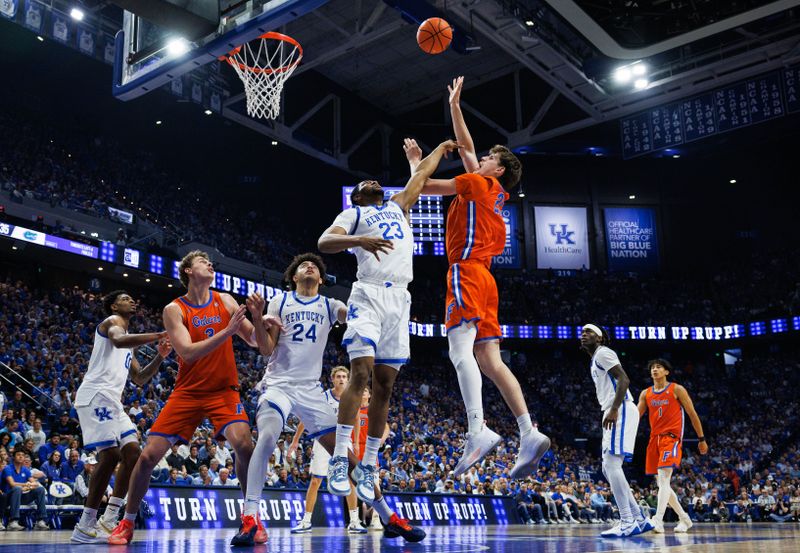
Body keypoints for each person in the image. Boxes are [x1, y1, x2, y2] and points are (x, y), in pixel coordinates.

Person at [233, 251, 427, 546]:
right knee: (268, 436)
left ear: (321, 279)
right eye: (302, 266)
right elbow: (266, 349)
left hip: (311, 390)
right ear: (294, 277)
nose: (309, 266)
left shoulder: (330, 304)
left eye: (314, 266)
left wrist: (373, 312)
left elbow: (351, 316)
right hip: (279, 385)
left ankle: (389, 517)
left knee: (346, 460)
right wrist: (258, 320)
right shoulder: (280, 301)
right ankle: (250, 517)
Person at [414, 76, 549, 478]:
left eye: (491, 156)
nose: (481, 157)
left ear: (499, 167)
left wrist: (419, 162)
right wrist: (455, 106)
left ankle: (478, 429)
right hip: (487, 281)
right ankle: (528, 431)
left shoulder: (475, 184)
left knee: (459, 349)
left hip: (466, 272)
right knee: (490, 359)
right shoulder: (494, 192)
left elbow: (423, 187)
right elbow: (470, 148)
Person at [318, 139, 460, 504]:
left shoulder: (398, 206)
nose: (373, 182)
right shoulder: (354, 216)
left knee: (384, 386)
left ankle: (367, 464)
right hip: (367, 294)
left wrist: (439, 149)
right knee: (361, 372)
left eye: (376, 182)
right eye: (366, 183)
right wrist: (359, 240)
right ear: (358, 196)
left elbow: (423, 174)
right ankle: (339, 458)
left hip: (400, 299)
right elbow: (324, 242)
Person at [108, 251, 261, 545]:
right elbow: (188, 353)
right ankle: (126, 522)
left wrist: (257, 317)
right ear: (189, 270)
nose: (211, 264)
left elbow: (253, 339)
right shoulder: (174, 309)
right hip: (188, 392)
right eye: (204, 261)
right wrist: (227, 331)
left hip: (223, 390)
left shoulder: (226, 300)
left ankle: (250, 517)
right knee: (148, 456)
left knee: (244, 445)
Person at [70, 290, 171, 543]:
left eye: (132, 298)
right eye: (126, 298)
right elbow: (117, 340)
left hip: (113, 401)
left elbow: (139, 378)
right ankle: (85, 523)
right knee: (111, 454)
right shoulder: (111, 324)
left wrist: (160, 355)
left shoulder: (130, 344)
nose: (132, 300)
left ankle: (109, 517)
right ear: (114, 305)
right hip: (95, 396)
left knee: (133, 453)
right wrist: (159, 334)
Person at [580, 324, 653, 538]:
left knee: (612, 465)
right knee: (607, 468)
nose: (583, 335)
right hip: (614, 409)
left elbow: (624, 379)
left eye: (589, 332)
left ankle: (627, 520)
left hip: (619, 408)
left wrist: (613, 409)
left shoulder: (604, 352)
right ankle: (638, 518)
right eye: (582, 332)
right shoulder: (596, 357)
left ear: (600, 338)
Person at [288, 365, 366, 535]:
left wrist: (357, 443)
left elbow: (356, 417)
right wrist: (295, 440)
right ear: (332, 379)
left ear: (348, 379)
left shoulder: (352, 397)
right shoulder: (323, 397)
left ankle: (354, 521)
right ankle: (306, 521)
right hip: (324, 440)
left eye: (344, 377)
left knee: (350, 480)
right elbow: (306, 419)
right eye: (338, 376)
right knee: (316, 480)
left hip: (344, 441)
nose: (341, 379)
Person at [637, 358, 708, 534]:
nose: (655, 369)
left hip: (671, 438)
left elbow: (692, 414)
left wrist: (701, 438)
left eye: (658, 367)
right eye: (652, 367)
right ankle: (684, 518)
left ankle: (658, 520)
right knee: (663, 484)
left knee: (663, 478)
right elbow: (635, 417)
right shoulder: (646, 393)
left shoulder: (676, 389)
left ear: (666, 371)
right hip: (654, 440)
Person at [2, 449, 49, 530]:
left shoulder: (25, 469)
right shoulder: (7, 468)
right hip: (8, 498)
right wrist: (25, 485)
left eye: (22, 455)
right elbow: (12, 484)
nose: (21, 456)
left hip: (22, 497)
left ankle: (40, 521)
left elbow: (35, 483)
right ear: (13, 457)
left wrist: (28, 487)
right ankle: (13, 522)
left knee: (40, 489)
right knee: (17, 489)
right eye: (18, 455)